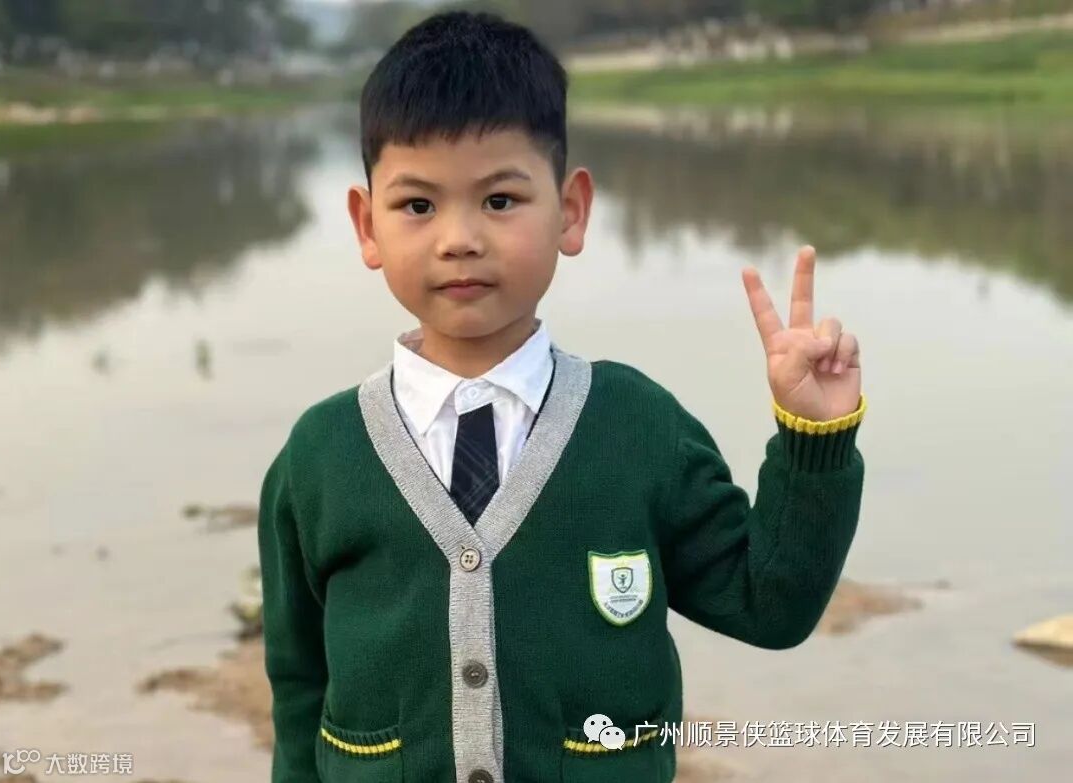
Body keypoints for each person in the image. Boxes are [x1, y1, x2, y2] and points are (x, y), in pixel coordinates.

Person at [257, 10, 867, 783]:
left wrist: (815, 439)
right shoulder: (319, 457)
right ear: (365, 224)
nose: (458, 238)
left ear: (571, 211)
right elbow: (300, 686)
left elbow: (769, 605)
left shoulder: (640, 428)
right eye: (418, 206)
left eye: (499, 201)